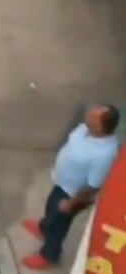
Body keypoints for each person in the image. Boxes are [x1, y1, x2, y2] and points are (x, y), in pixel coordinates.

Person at [21, 104, 122, 269]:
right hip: (61, 183)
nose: (88, 112)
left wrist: (71, 203)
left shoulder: (104, 154)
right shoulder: (84, 128)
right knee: (51, 207)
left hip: (72, 195)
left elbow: (93, 186)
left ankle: (49, 254)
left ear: (101, 126)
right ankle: (44, 227)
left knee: (59, 225)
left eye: (93, 115)